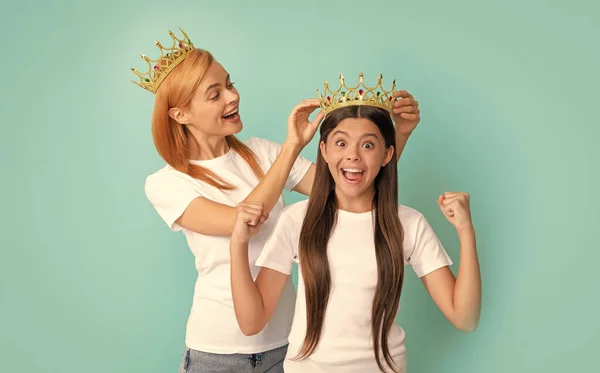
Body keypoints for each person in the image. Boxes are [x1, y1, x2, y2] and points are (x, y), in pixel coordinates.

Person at [130, 29, 422, 372]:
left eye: (229, 83)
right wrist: (292, 147)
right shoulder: (167, 184)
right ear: (181, 115)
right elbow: (242, 222)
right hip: (217, 352)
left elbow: (351, 186)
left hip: (287, 345)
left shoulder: (261, 153)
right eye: (215, 94)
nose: (232, 97)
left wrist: (399, 134)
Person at [229, 74, 481, 373]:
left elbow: (464, 318)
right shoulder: (296, 220)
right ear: (323, 151)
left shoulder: (409, 223)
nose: (352, 155)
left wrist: (466, 232)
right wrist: (237, 243)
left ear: (388, 154)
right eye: (340, 142)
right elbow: (251, 322)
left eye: (368, 146)